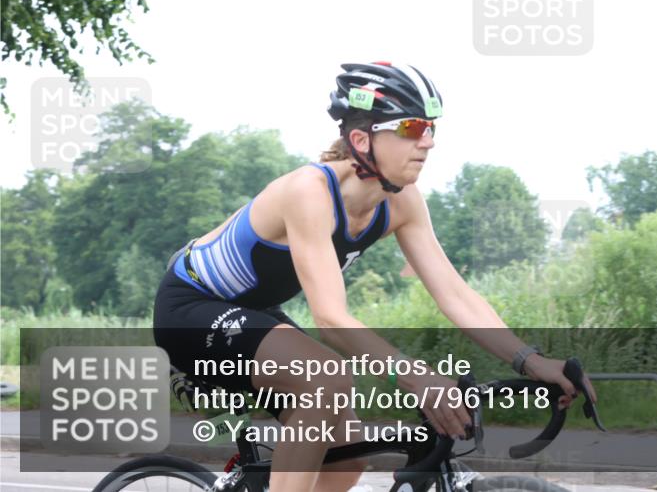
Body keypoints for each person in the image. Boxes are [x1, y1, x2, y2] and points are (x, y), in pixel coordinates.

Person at [153, 62, 597, 492]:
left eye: (431, 128)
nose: (427, 142)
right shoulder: (308, 191)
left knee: (348, 456)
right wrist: (418, 378)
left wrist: (533, 361)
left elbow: (455, 294)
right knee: (326, 375)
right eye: (410, 129)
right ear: (362, 139)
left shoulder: (402, 201)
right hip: (190, 307)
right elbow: (331, 319)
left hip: (253, 312)